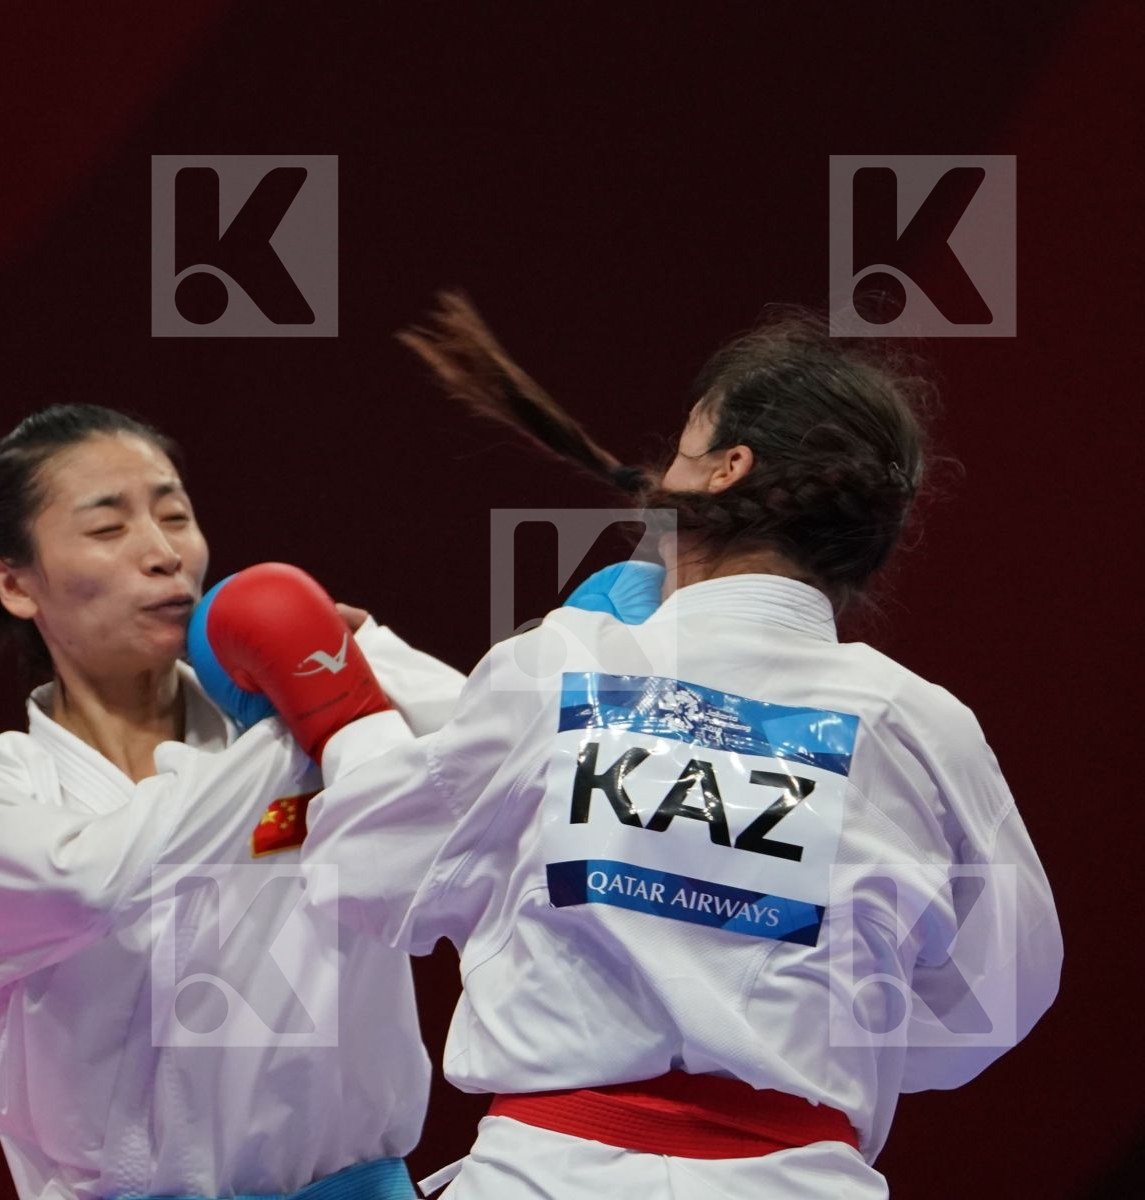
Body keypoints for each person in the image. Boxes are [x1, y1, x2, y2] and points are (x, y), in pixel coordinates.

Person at [204, 299, 1063, 1198]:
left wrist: (343, 703)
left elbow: (366, 870)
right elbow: (1002, 994)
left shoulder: (565, 666)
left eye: (686, 441)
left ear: (729, 468)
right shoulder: (919, 726)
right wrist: (830, 1018)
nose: (660, 466)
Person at [0, 404, 466, 1200]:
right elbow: (94, 879)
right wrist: (311, 714)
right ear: (16, 582)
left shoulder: (310, 712)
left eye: (176, 517)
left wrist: (375, 656)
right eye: (109, 530)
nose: (165, 553)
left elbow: (495, 769)